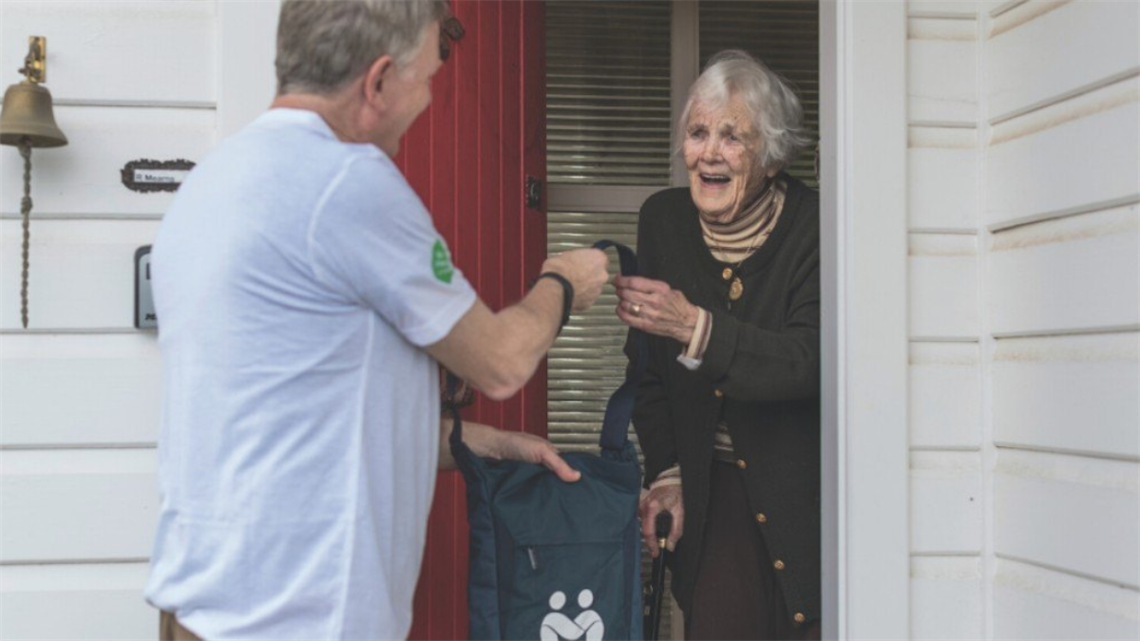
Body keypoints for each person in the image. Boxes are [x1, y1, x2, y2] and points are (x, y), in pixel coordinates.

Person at [143, 2, 609, 639]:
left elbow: (316, 416)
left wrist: (498, 445)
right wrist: (562, 282)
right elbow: (501, 360)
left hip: (202, 612)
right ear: (379, 80)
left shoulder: (215, 180)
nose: (426, 100)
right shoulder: (346, 183)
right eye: (426, 79)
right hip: (297, 619)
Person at [613, 50, 821, 640]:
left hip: (802, 488)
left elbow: (806, 361)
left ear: (772, 152)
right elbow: (648, 370)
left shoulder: (814, 225)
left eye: (732, 138)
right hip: (711, 491)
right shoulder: (664, 222)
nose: (709, 153)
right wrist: (670, 472)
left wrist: (695, 328)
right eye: (698, 133)